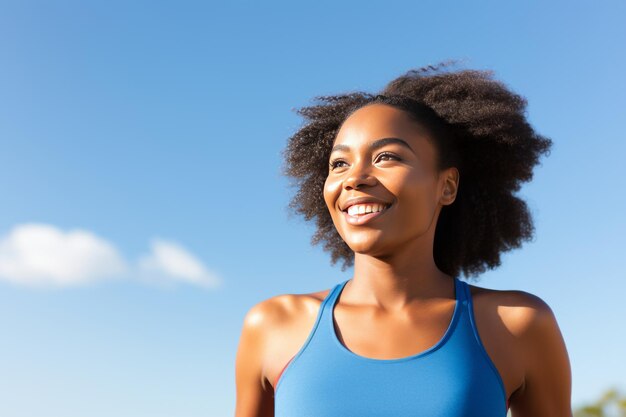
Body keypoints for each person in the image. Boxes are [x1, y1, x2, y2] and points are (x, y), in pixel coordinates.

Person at [234, 60, 572, 417]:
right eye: (339, 164)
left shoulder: (516, 323)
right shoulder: (272, 325)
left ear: (447, 186)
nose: (355, 178)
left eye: (386, 157)